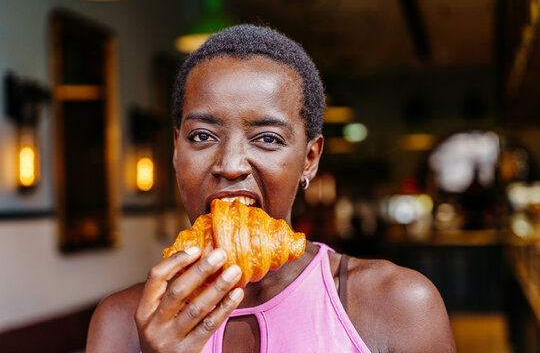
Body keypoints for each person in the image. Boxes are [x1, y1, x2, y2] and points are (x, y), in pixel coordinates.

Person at [87, 24, 455, 353]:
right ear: (176, 150)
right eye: (201, 136)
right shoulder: (123, 322)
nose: (230, 165)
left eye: (267, 138)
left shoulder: (398, 305)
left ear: (309, 159)